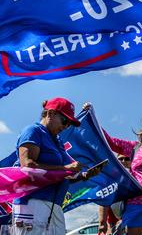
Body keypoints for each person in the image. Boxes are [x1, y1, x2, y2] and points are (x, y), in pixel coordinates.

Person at [12, 97, 101, 235]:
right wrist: (66, 168)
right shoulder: (33, 131)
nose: (66, 127)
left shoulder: (57, 140)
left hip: (54, 206)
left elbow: (62, 175)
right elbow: (27, 165)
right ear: (50, 114)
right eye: (65, 121)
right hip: (31, 203)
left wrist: (84, 175)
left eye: (69, 124)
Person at [99, 154, 132, 235]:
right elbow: (103, 201)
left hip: (132, 221)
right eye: (121, 159)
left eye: (127, 158)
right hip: (113, 223)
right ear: (115, 160)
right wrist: (102, 223)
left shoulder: (137, 177)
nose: (123, 161)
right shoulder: (109, 178)